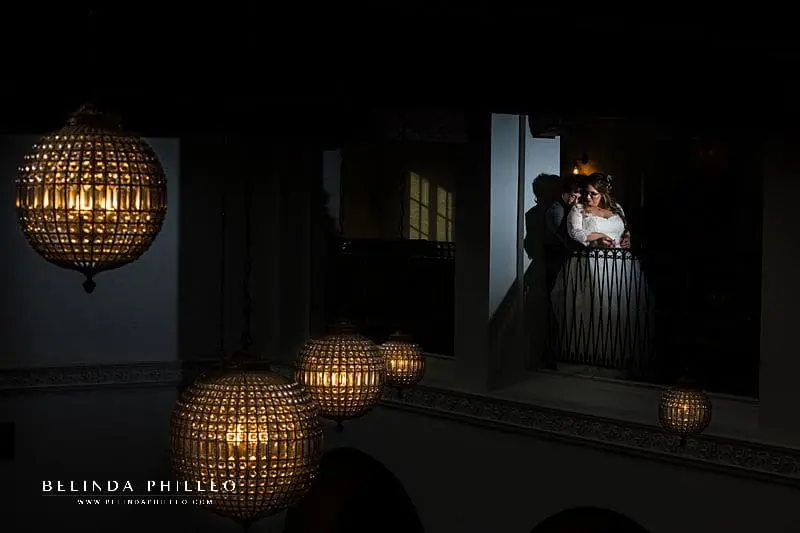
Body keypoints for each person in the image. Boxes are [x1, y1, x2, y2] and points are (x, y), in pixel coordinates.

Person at [550, 172, 651, 374]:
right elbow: (575, 232)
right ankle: (592, 353)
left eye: (593, 194)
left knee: (617, 307)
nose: (588, 198)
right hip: (590, 263)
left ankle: (619, 353)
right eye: (586, 193)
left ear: (604, 193)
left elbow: (623, 229)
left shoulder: (617, 208)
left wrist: (626, 238)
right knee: (593, 307)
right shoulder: (578, 209)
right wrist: (597, 239)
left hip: (620, 263)